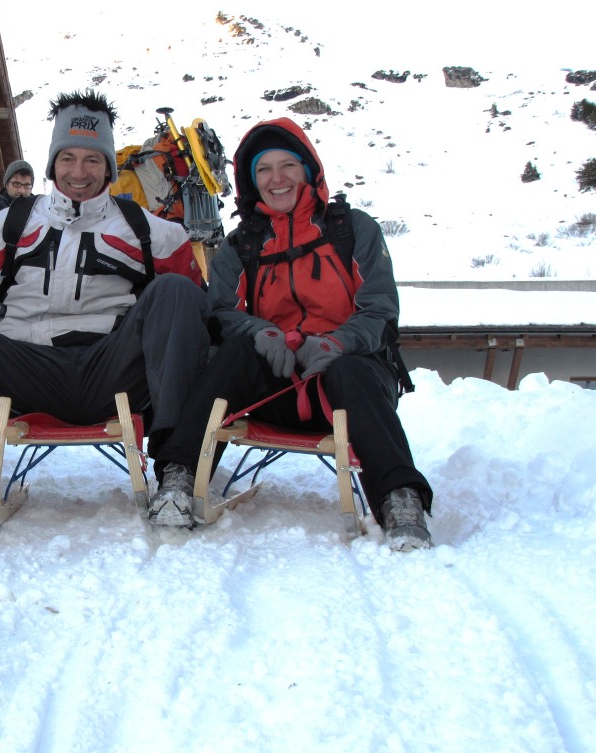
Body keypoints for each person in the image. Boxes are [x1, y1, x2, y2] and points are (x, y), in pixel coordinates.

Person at [0, 88, 211, 544]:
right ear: (51, 164)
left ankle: (175, 471)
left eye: (92, 160)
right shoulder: (8, 225)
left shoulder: (154, 233)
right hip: (27, 369)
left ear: (109, 165)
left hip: (111, 369)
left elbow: (190, 321)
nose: (79, 172)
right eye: (67, 158)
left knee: (176, 291)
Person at [148, 116, 434, 552]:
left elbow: (380, 311)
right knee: (234, 355)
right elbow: (220, 311)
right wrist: (259, 332)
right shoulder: (241, 244)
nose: (276, 179)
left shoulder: (352, 229)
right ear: (251, 179)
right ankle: (179, 476)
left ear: (309, 171)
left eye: (288, 166)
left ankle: (399, 498)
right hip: (275, 383)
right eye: (264, 169)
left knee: (353, 372)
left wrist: (337, 342)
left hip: (346, 384)